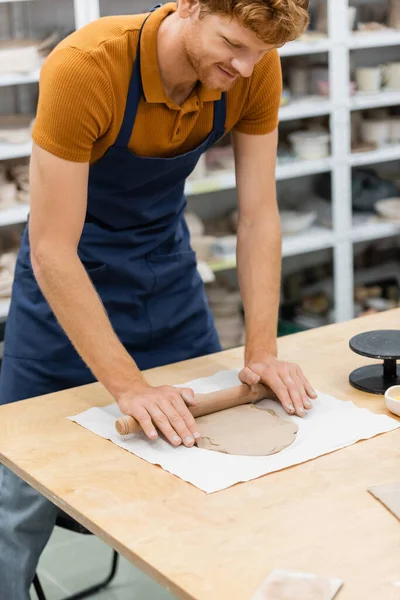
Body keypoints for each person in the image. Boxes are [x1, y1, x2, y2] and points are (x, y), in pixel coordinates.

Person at [0, 0, 316, 597]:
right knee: (19, 496)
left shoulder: (254, 64)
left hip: (166, 277)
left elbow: (257, 217)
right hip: (65, 288)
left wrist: (263, 352)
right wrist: (129, 386)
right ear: (192, 6)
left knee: (210, 466)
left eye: (262, 54)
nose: (247, 69)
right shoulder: (87, 67)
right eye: (232, 45)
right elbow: (51, 250)